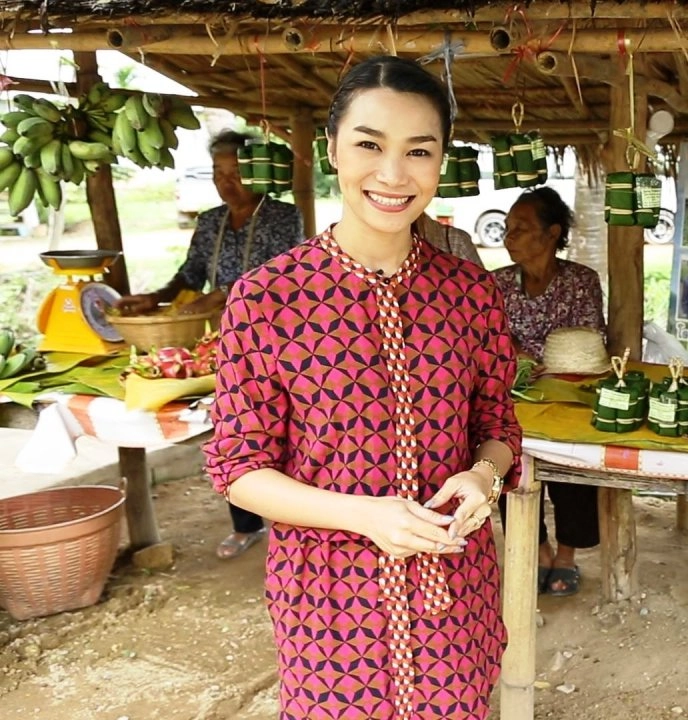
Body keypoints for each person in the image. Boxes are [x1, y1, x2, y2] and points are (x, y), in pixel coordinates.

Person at [204, 56, 521, 719]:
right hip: (330, 609)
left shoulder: (471, 291)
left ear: (440, 164)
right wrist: (365, 515)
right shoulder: (267, 299)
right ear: (332, 150)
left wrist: (482, 482)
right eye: (370, 145)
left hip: (452, 597)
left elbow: (497, 428)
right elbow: (239, 469)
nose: (393, 174)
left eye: (418, 151)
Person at [116, 129, 305, 561]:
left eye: (237, 173)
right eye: (220, 174)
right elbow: (190, 275)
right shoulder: (210, 222)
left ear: (257, 173)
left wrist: (227, 294)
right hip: (218, 345)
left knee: (285, 428)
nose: (227, 182)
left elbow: (285, 277)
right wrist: (157, 298)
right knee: (237, 429)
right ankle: (246, 523)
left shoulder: (282, 217)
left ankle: (297, 513)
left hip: (277, 339)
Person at [492, 187, 605, 596]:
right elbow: (489, 337)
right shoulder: (497, 283)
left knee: (573, 473)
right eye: (507, 228)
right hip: (516, 396)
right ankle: (537, 549)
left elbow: (589, 340)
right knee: (510, 465)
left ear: (552, 233)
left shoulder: (580, 281)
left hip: (569, 394)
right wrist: (517, 357)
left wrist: (531, 357)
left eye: (521, 228)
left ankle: (567, 555)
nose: (509, 236)